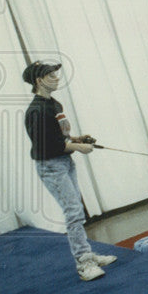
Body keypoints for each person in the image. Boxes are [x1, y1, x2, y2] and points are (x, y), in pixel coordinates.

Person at [22, 61, 118, 282]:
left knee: (77, 210)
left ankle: (86, 253)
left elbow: (58, 138)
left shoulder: (54, 104)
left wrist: (77, 139)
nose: (57, 78)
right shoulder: (36, 111)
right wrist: (79, 148)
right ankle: (84, 263)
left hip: (64, 162)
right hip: (51, 166)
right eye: (51, 75)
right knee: (73, 211)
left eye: (56, 74)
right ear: (39, 81)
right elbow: (47, 146)